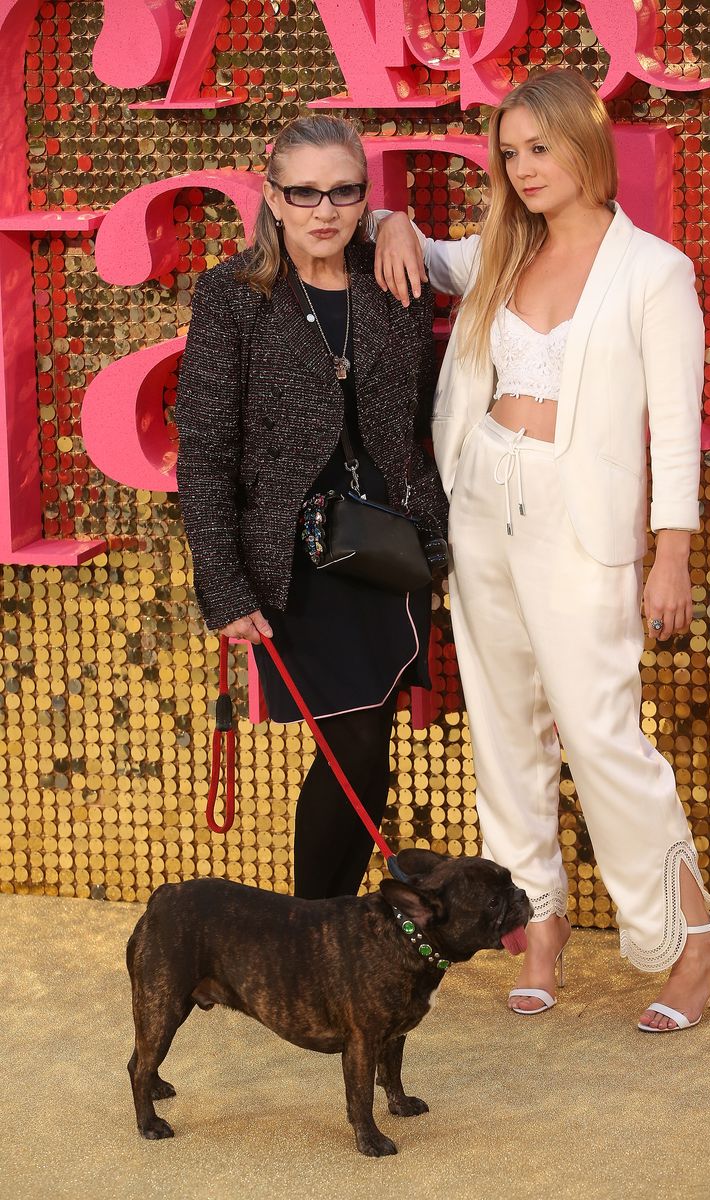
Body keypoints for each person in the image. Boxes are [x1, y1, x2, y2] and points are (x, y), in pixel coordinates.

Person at [374, 68, 710, 1031]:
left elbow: (675, 427)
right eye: (511, 151)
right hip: (483, 503)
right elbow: (418, 251)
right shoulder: (499, 249)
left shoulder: (653, 271)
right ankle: (537, 926)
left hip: (586, 525)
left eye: (542, 147)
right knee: (503, 731)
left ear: (587, 145)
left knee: (601, 734)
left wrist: (671, 552)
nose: (524, 168)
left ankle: (690, 938)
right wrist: (393, 221)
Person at [176, 115, 447, 901]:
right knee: (353, 743)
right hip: (294, 567)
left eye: (345, 192)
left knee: (368, 748)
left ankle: (319, 935)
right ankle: (316, 932)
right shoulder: (232, 295)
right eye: (304, 193)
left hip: (391, 553)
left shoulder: (392, 275)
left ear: (365, 195)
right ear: (272, 196)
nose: (325, 210)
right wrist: (223, 587)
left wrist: (402, 222)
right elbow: (206, 450)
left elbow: (420, 416)